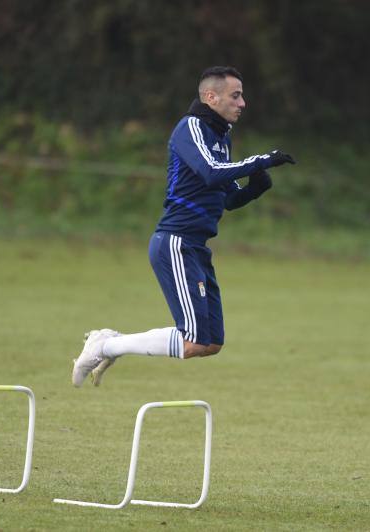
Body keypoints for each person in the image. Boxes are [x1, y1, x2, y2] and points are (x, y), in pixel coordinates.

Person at [72, 66, 295, 387]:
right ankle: (105, 344)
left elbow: (228, 197)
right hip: (175, 242)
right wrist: (261, 160)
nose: (243, 103)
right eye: (236, 95)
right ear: (210, 96)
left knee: (211, 343)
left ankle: (109, 343)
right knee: (192, 341)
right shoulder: (190, 127)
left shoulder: (221, 137)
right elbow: (210, 172)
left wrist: (257, 187)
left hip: (196, 248)